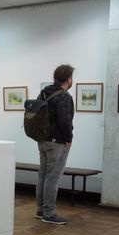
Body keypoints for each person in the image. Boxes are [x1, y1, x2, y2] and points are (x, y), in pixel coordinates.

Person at [36, 64, 75, 224]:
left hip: (42, 140)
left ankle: (40, 210)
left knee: (43, 175)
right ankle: (49, 213)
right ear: (68, 79)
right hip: (57, 142)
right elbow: (65, 121)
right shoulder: (64, 96)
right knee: (53, 178)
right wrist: (69, 139)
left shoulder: (44, 92)